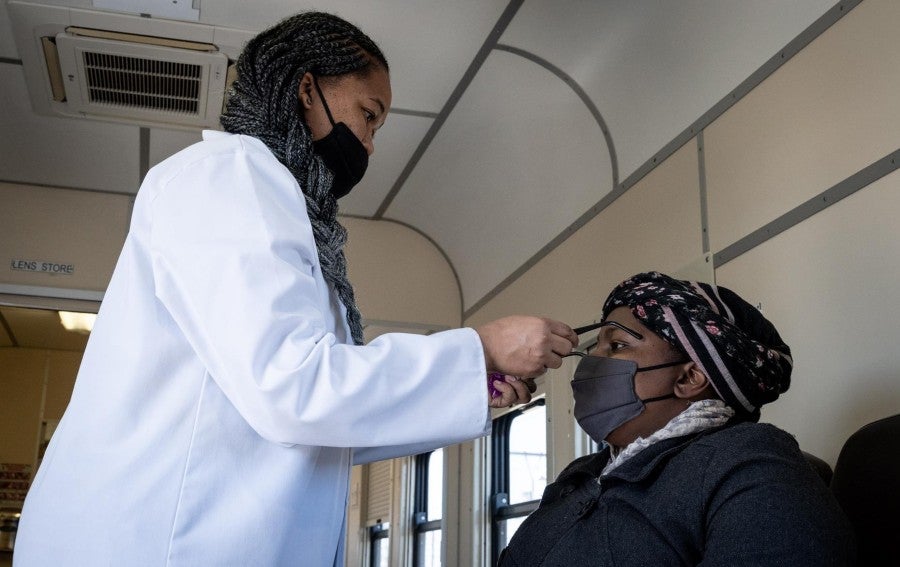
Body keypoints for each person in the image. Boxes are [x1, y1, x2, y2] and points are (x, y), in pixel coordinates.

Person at [13, 12, 577, 567]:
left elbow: (318, 426)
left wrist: (466, 390)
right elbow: (293, 390)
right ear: (307, 89)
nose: (371, 147)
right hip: (156, 539)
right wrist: (478, 347)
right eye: (369, 115)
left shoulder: (274, 205)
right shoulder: (230, 175)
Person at [498, 271, 855, 566]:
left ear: (688, 378)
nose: (591, 361)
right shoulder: (582, 473)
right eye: (596, 347)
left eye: (617, 345)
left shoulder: (750, 460)